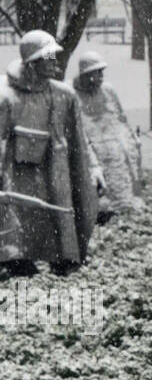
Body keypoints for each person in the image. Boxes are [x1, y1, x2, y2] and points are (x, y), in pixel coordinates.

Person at [0, 31, 100, 276]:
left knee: (60, 215)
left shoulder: (64, 95)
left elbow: (80, 139)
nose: (55, 61)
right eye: (48, 57)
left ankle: (63, 258)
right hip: (18, 174)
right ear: (32, 61)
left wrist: (94, 167)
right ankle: (16, 260)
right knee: (18, 220)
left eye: (55, 56)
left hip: (57, 170)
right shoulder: (7, 97)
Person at [71, 52, 143, 218]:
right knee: (101, 188)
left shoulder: (108, 91)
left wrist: (131, 138)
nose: (101, 76)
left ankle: (126, 206)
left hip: (116, 144)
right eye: (97, 73)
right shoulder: (72, 94)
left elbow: (121, 117)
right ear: (87, 74)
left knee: (125, 175)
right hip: (94, 149)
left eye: (102, 72)